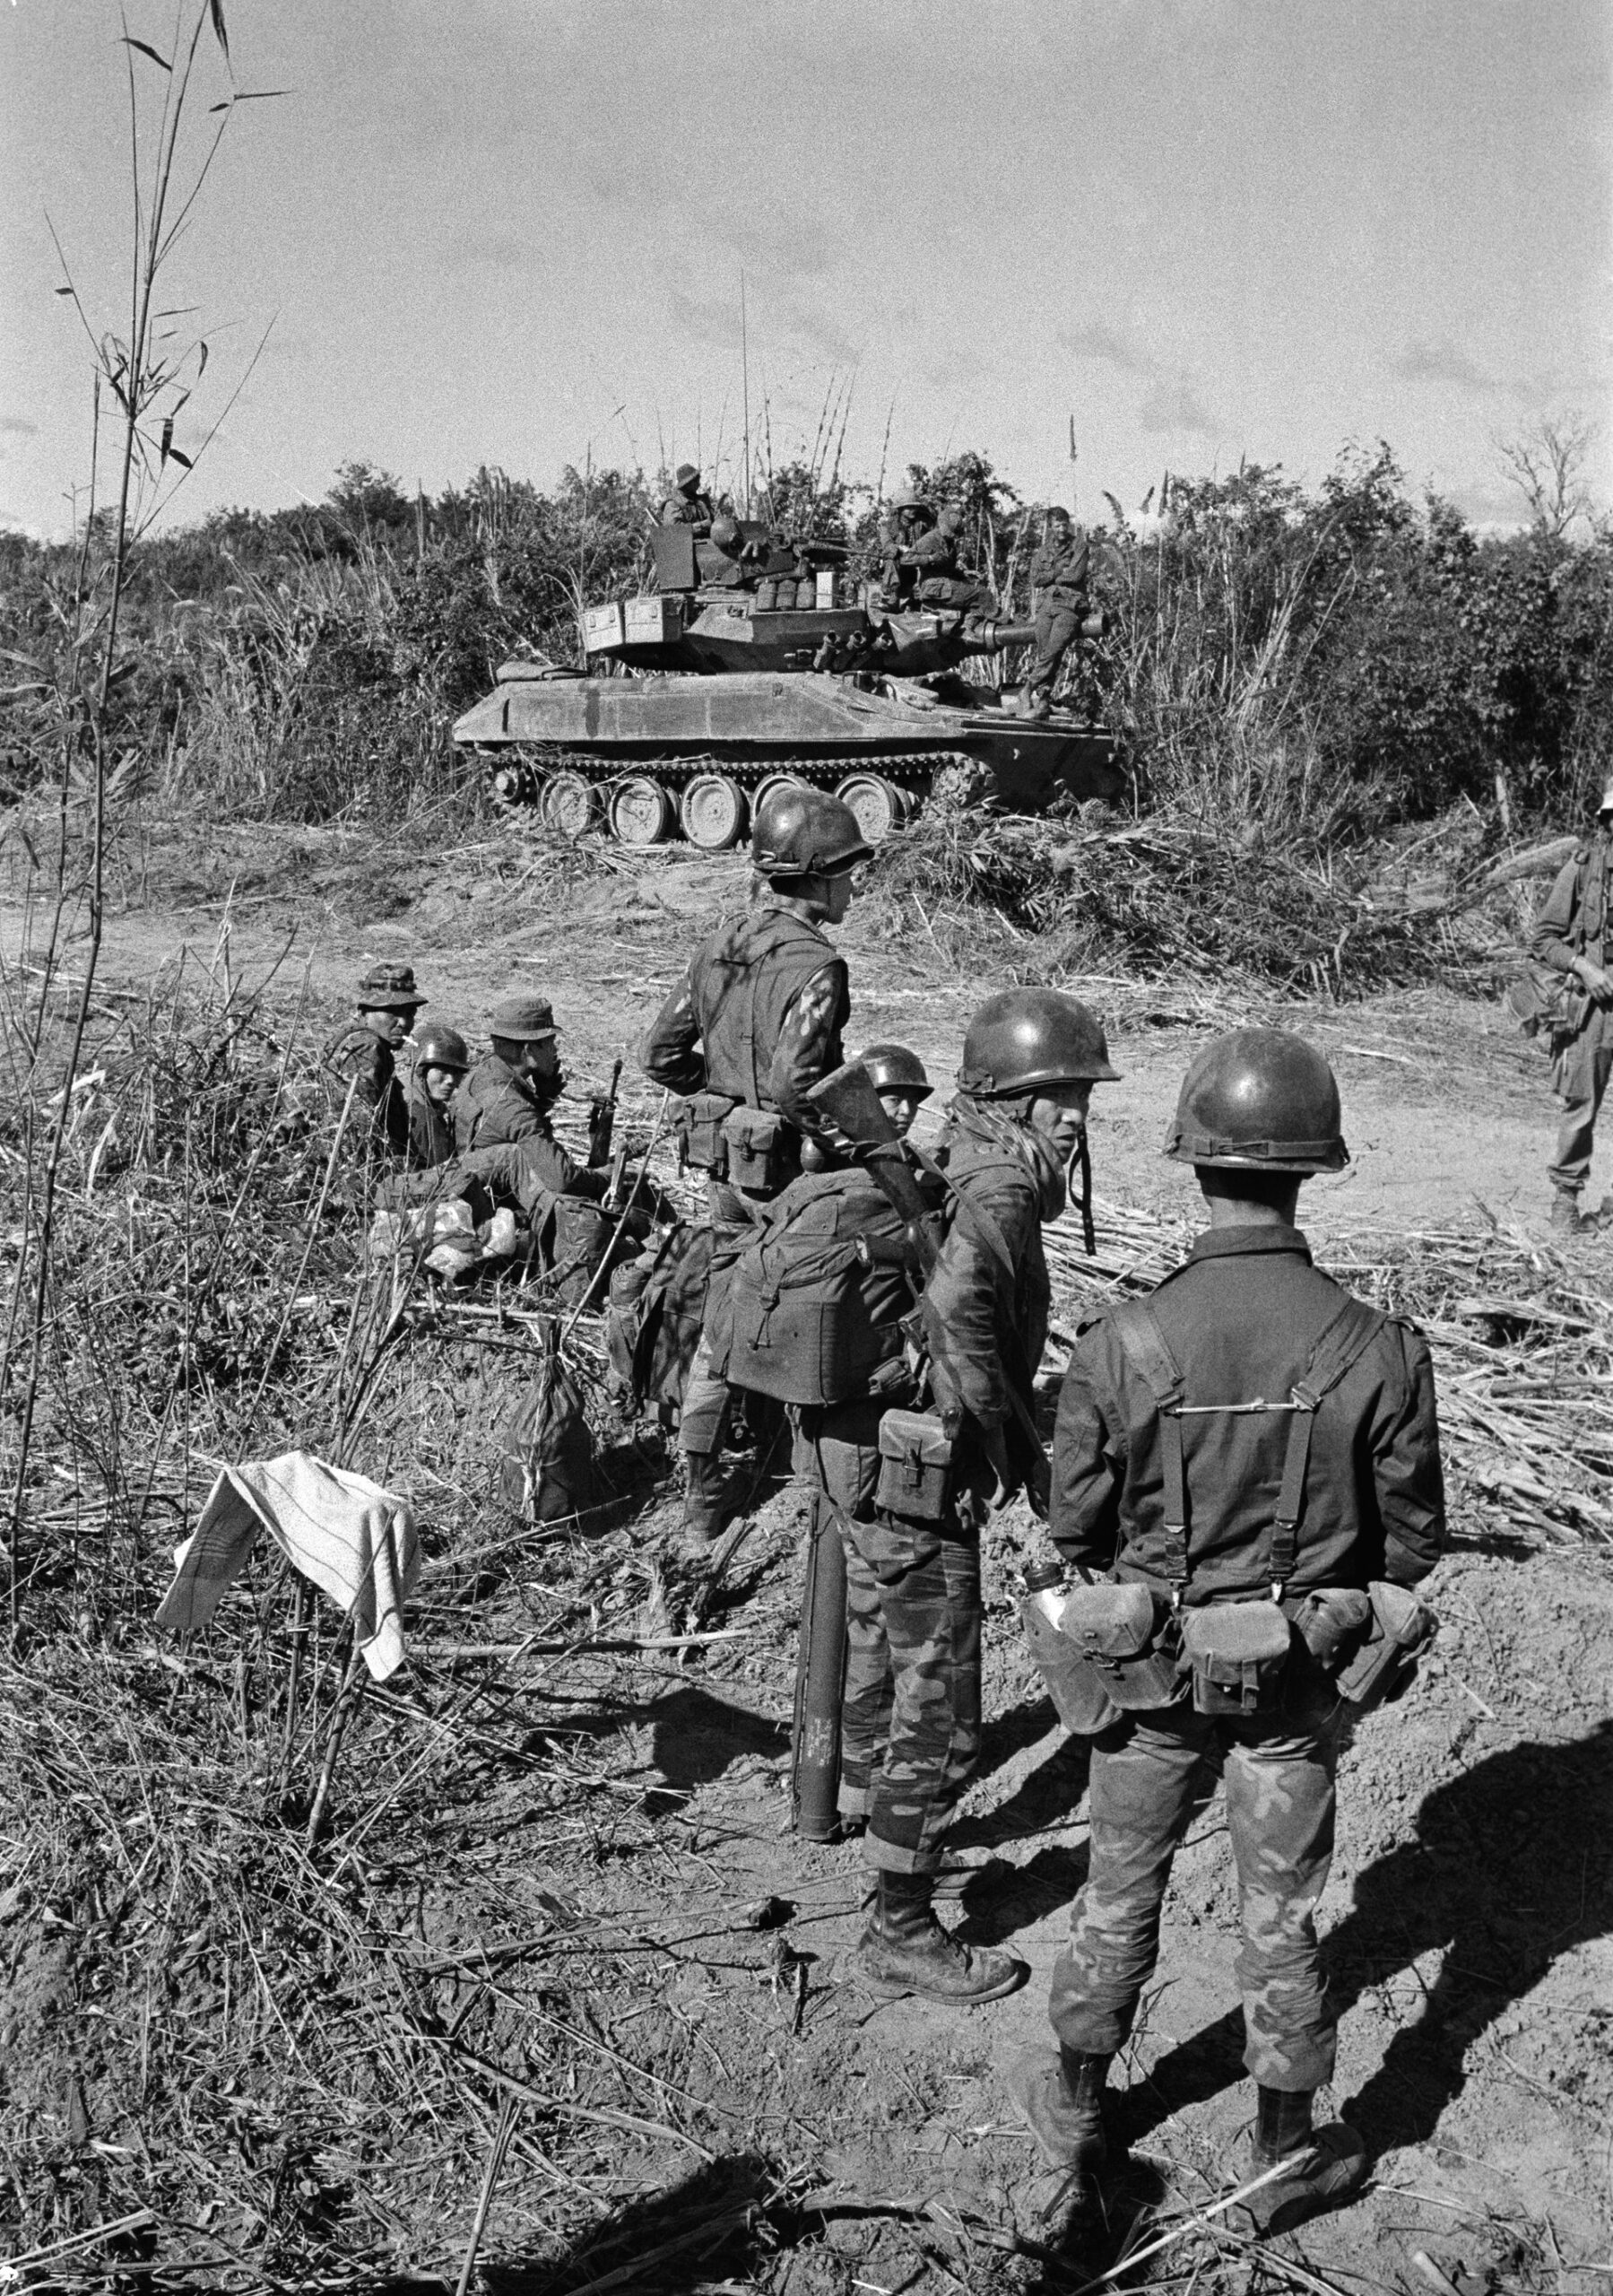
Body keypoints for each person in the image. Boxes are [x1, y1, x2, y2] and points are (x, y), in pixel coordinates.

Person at [1011, 1028, 1445, 2244]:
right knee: (1285, 1914)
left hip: (1148, 1683)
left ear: (1189, 1164)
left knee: (1115, 1895)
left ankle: (1080, 2110)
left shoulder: (1118, 1343)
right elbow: (1409, 1545)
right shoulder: (1379, 1349)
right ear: (1313, 1168)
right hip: (1295, 1684)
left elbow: (1073, 1527)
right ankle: (1283, 2153)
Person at [851, 988, 1121, 2004]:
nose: (1075, 1115)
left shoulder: (966, 1147)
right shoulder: (1004, 1184)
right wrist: (995, 1432)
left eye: (1081, 1096)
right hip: (923, 1468)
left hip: (880, 1456)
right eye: (1058, 1096)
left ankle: (881, 1839)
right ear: (1010, 1093)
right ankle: (901, 1925)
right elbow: (959, 1306)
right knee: (943, 1713)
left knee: (904, 1678)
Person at [640, 786, 873, 1555]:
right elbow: (797, 1086)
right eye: (844, 871)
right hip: (783, 1174)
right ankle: (789, 1479)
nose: (851, 885)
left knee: (722, 1314)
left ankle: (710, 1488)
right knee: (804, 1306)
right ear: (816, 875)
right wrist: (849, 1147)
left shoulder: (719, 944)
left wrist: (714, 1102)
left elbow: (660, 1054)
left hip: (720, 1167)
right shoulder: (815, 964)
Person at [1528, 776, 1613, 1232]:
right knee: (1581, 1104)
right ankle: (1565, 1205)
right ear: (1608, 820)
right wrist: (1584, 967)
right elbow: (1543, 939)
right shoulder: (1583, 868)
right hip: (1595, 1007)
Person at [455, 996, 608, 1204]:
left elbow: (508, 1130)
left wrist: (543, 1099)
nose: (555, 1050)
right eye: (550, 1043)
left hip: (477, 1187)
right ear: (528, 1050)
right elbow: (562, 1180)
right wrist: (608, 1177)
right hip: (499, 1205)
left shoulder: (483, 1074)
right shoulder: (512, 1105)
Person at [324, 961, 427, 1160]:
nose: (404, 1022)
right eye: (393, 1012)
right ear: (365, 1011)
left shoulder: (352, 1038)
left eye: (409, 1013)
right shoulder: (368, 1047)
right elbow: (360, 1133)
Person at [1024, 506, 1092, 719]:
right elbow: (1035, 579)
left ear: (1068, 523)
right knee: (1044, 652)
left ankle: (1026, 689)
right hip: (1046, 605)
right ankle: (1043, 703)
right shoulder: (1044, 551)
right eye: (1057, 525)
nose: (1062, 529)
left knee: (1054, 649)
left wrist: (1053, 577)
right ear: (1051, 528)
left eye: (1065, 524)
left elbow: (1074, 575)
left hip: (1070, 604)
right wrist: (1057, 572)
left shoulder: (1079, 545)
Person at [901, 504, 997, 631]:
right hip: (933, 587)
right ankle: (992, 622)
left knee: (979, 592)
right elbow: (906, 558)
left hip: (944, 586)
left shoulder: (950, 544)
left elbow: (948, 568)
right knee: (981, 594)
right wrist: (930, 558)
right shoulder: (931, 538)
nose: (951, 535)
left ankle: (968, 627)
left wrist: (964, 574)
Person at [876, 486, 936, 608]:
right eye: (909, 507)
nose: (912, 510)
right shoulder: (887, 526)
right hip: (898, 566)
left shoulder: (921, 524)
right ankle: (892, 596)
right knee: (890, 559)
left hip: (916, 564)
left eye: (914, 507)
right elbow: (887, 546)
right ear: (900, 509)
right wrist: (899, 548)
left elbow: (933, 538)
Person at [659, 462, 715, 535]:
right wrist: (701, 525)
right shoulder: (672, 505)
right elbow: (672, 532)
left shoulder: (700, 501)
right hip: (687, 546)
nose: (699, 484)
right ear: (688, 483)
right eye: (696, 481)